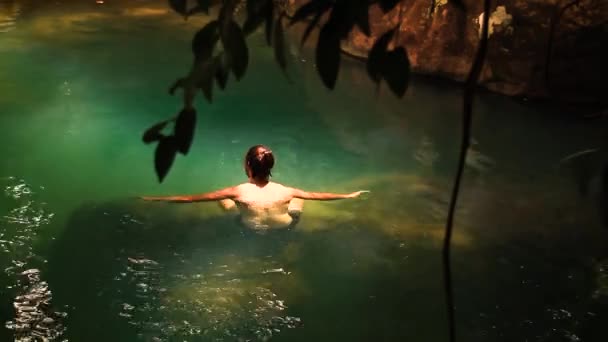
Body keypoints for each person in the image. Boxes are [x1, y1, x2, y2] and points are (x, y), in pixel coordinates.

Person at [141, 145, 368, 231]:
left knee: (223, 200)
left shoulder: (238, 191)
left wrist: (156, 199)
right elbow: (319, 195)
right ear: (271, 167)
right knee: (301, 199)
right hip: (284, 227)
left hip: (251, 227)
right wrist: (348, 195)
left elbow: (192, 199)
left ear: (248, 165)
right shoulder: (284, 190)